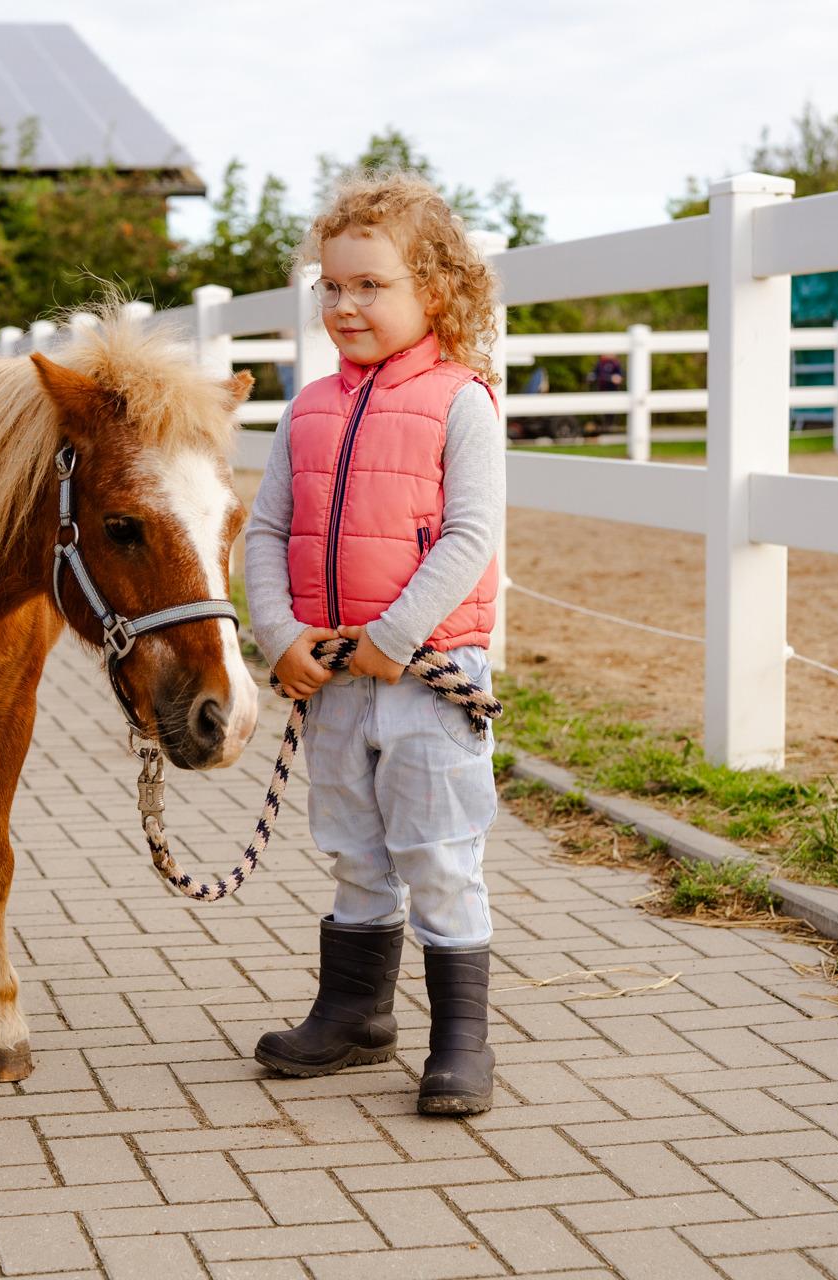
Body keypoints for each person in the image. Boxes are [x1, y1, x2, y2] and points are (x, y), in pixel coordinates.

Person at [244, 171, 505, 1116]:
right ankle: (355, 1014)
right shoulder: (307, 407)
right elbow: (266, 530)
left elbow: (471, 537)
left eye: (370, 285)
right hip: (333, 678)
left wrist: (394, 638)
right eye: (332, 285)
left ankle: (461, 1041)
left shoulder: (460, 402)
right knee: (354, 848)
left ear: (432, 291)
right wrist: (280, 634)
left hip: (426, 678)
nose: (345, 305)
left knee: (438, 854)